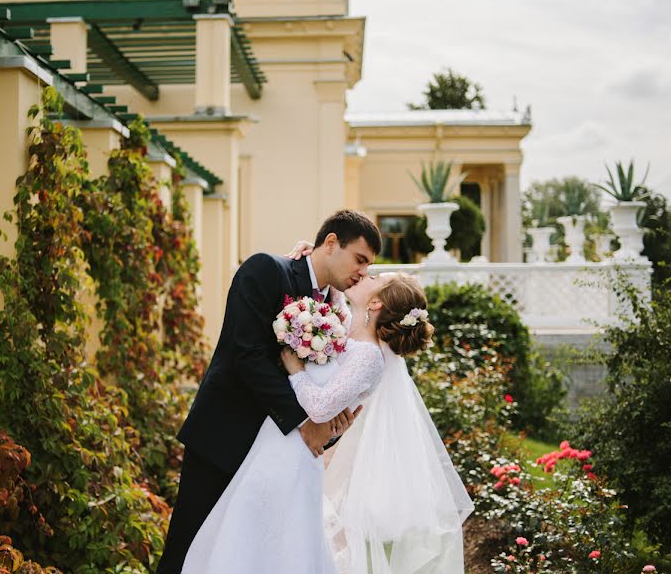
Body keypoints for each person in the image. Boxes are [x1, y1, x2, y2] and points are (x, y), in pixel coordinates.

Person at [182, 269, 474, 573]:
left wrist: (295, 370)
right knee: (250, 533)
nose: (364, 275)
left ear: (375, 304)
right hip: (274, 443)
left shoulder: (370, 357)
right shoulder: (348, 332)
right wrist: (317, 260)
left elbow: (320, 409)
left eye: (374, 279)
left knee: (269, 540)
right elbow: (336, 300)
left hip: (293, 453)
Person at [156, 210, 383, 574]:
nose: (362, 271)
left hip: (276, 458)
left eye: (369, 265)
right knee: (189, 549)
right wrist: (305, 424)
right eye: (360, 259)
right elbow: (247, 356)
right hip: (226, 437)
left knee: (243, 557)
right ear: (330, 243)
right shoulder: (266, 270)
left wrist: (331, 421)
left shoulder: (334, 309)